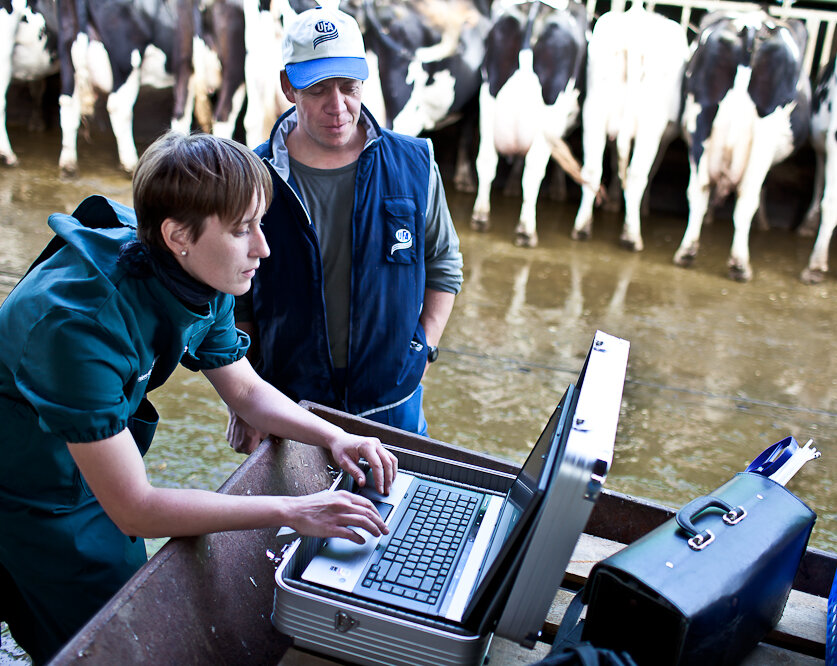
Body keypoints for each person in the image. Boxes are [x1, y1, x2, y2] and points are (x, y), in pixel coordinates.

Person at [0, 130, 397, 664]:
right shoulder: (78, 326)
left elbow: (246, 389)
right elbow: (136, 508)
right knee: (106, 644)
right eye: (242, 230)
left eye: (260, 223)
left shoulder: (199, 273)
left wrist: (337, 435)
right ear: (177, 235)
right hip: (25, 491)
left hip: (84, 466)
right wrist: (295, 509)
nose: (264, 247)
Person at [227, 5, 464, 453]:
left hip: (394, 411)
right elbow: (234, 297)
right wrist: (244, 398)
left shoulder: (414, 164)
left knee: (400, 519)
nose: (338, 107)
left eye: (349, 87)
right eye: (318, 89)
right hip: (292, 412)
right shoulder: (253, 176)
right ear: (287, 85)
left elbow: (444, 264)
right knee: (294, 523)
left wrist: (423, 349)